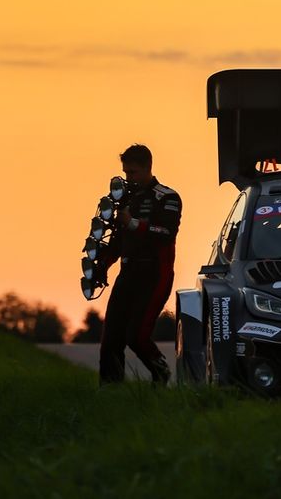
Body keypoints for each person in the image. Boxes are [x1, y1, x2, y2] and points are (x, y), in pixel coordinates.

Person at [98, 144, 182, 385]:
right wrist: (103, 265)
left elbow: (166, 232)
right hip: (128, 273)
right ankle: (110, 391)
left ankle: (161, 371)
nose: (129, 178)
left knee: (136, 335)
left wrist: (134, 223)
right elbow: (118, 240)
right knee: (111, 337)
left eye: (133, 172)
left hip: (155, 274)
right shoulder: (126, 198)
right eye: (126, 172)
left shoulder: (168, 197)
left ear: (148, 167)